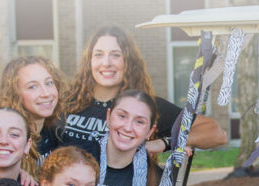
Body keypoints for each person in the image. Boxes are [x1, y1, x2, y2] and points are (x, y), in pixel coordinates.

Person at [60, 25, 226, 157]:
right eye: (98, 54)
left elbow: (216, 133)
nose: (106, 62)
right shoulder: (67, 103)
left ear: (128, 62)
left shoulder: (145, 107)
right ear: (89, 61)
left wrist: (166, 142)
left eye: (116, 55)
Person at [0, 56, 66, 164]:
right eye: (32, 87)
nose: (46, 93)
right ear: (15, 94)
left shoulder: (55, 133)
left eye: (49, 83)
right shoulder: (6, 140)